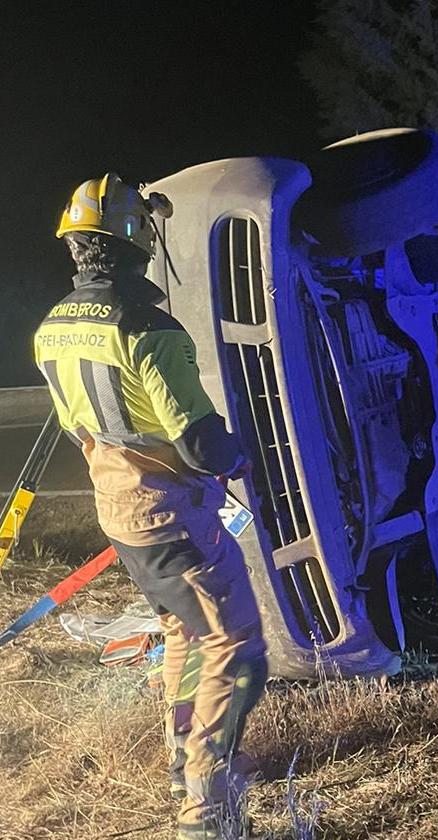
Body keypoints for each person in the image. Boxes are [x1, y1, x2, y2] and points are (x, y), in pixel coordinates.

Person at [33, 173, 266, 839]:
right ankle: (205, 811)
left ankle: (178, 760)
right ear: (136, 238)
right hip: (170, 516)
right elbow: (197, 440)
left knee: (182, 632)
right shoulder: (149, 329)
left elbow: (85, 427)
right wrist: (240, 458)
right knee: (236, 645)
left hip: (118, 510)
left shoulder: (51, 328)